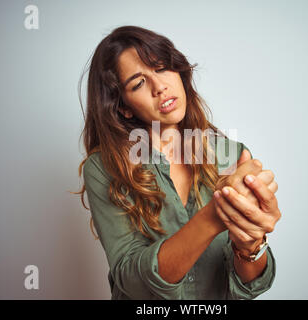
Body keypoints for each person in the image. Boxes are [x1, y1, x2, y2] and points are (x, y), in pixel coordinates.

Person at [74, 25, 281, 300]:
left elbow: (249, 286)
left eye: (161, 68)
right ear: (123, 106)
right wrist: (214, 216)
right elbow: (133, 283)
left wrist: (251, 242)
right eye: (138, 83)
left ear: (179, 72)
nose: (159, 87)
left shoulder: (231, 156)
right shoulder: (104, 169)